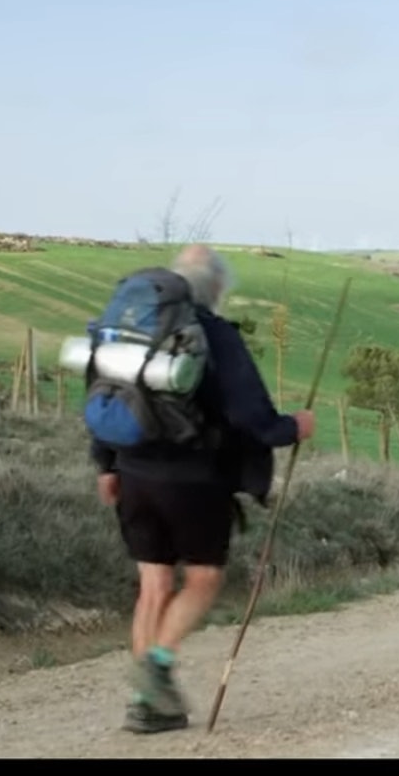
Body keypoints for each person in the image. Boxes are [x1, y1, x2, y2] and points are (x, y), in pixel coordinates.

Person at [90, 244, 316, 735]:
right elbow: (250, 416)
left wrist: (105, 464)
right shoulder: (213, 335)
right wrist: (292, 428)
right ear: (215, 287)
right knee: (204, 580)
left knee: (153, 586)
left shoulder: (129, 328)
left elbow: (102, 390)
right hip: (194, 480)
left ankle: (146, 705)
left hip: (131, 472)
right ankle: (157, 666)